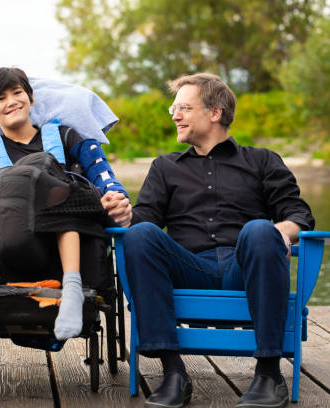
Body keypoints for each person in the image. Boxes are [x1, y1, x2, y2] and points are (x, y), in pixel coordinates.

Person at [121, 73, 315, 408]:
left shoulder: (262, 161)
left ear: (215, 113)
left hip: (245, 268)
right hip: (189, 268)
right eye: (174, 108)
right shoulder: (165, 167)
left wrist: (280, 231)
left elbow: (298, 215)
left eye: (183, 107)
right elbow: (144, 223)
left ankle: (269, 374)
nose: (174, 115)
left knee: (258, 228)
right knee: (138, 235)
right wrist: (121, 214)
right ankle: (173, 373)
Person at [0, 67, 132, 340]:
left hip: (64, 239)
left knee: (49, 176)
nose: (12, 101)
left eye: (17, 93)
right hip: (5, 245)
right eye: (0, 98)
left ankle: (73, 290)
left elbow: (105, 178)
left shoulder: (66, 137)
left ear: (31, 98)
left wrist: (117, 197)